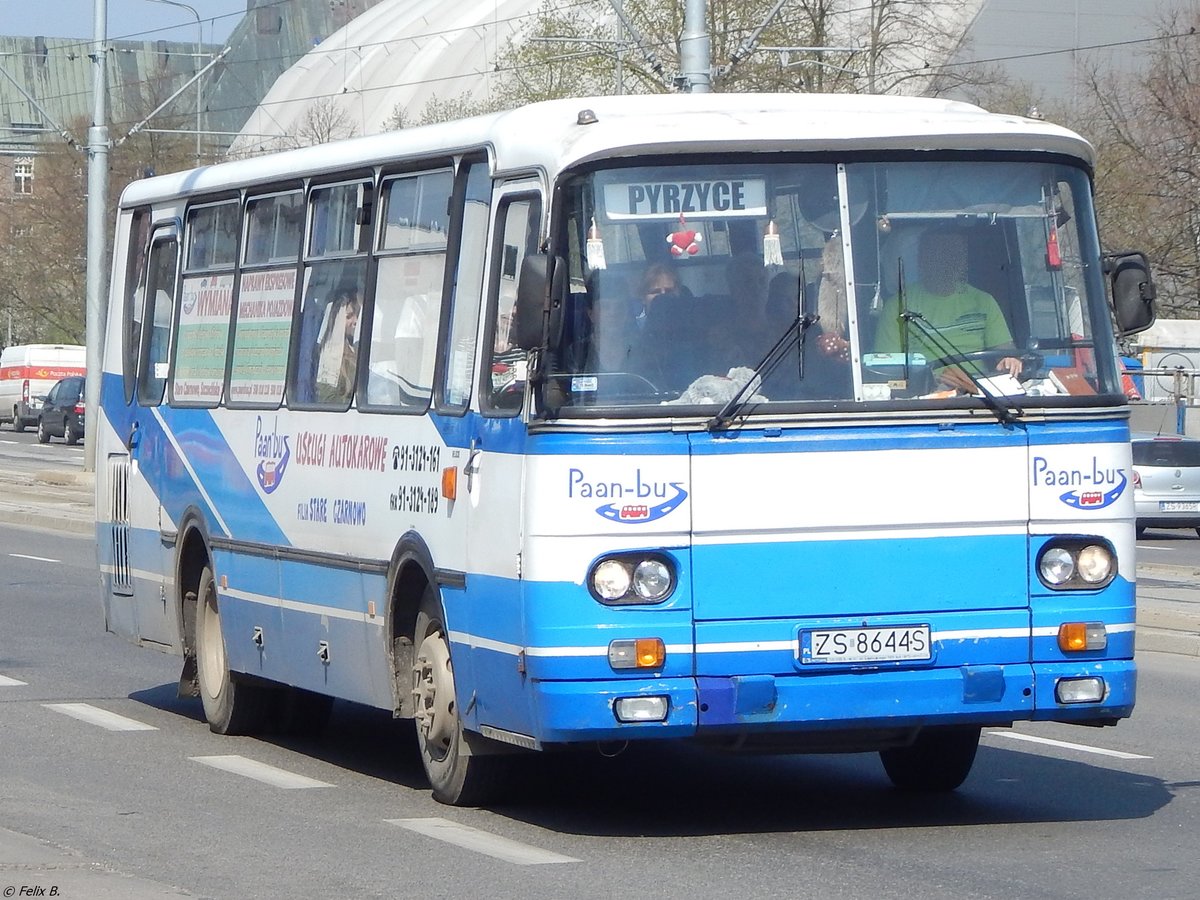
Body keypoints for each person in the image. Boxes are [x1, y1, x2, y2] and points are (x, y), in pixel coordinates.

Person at [874, 229, 1022, 387]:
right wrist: (934, 379)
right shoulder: (898, 306)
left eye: (954, 255)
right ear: (922, 260)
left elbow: (1005, 353)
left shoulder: (984, 301)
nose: (946, 262)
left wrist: (1010, 360)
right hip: (926, 393)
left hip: (983, 391)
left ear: (963, 262)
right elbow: (887, 374)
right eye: (938, 255)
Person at [315, 284, 361, 404]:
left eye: (357, 314)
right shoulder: (331, 356)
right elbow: (327, 399)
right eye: (349, 317)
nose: (355, 321)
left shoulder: (357, 348)